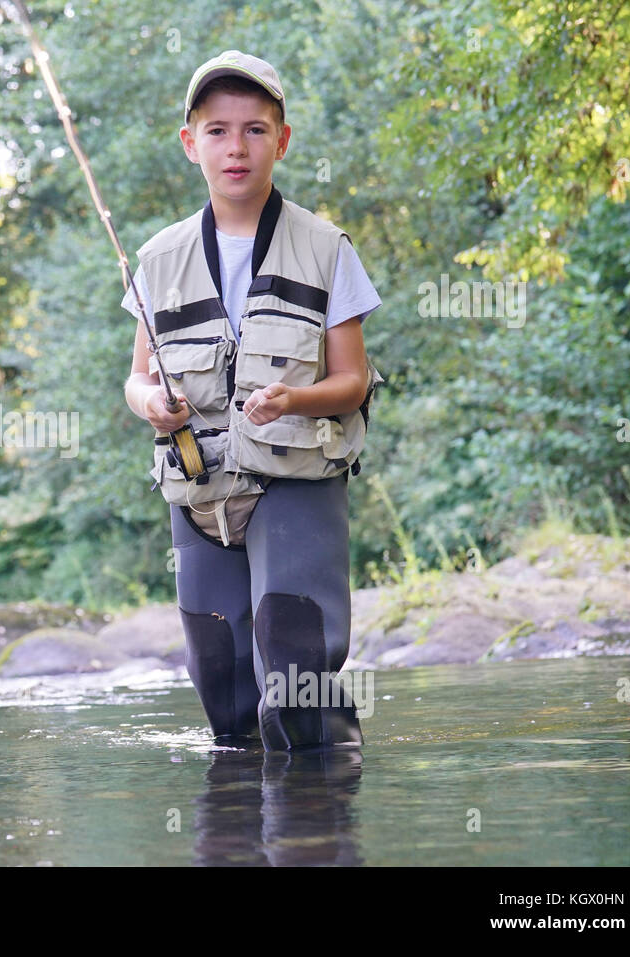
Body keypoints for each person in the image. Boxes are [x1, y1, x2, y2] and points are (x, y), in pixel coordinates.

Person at [121, 51, 384, 751]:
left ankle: (318, 826)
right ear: (190, 144)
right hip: (199, 484)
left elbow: (352, 380)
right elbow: (136, 378)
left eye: (255, 129)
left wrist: (295, 397)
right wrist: (151, 404)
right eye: (216, 131)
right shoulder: (156, 259)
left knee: (295, 669)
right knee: (224, 685)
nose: (236, 147)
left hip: (295, 478)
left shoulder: (327, 248)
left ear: (283, 140)